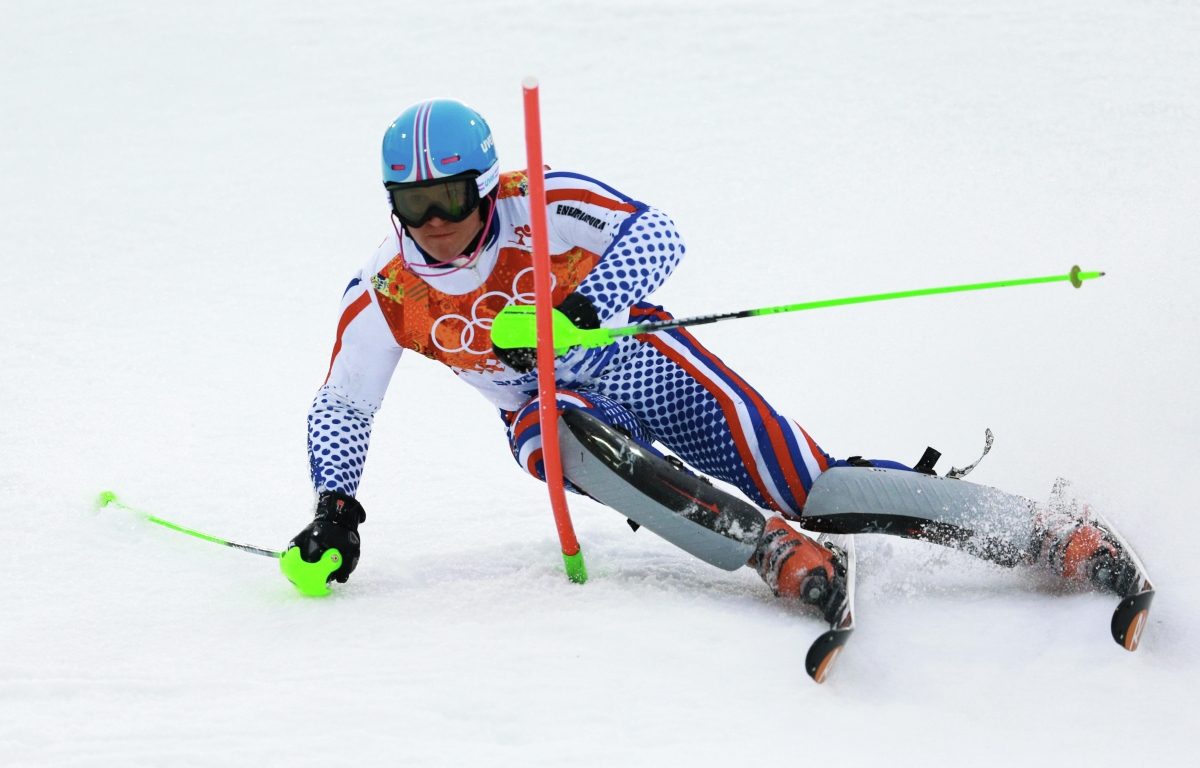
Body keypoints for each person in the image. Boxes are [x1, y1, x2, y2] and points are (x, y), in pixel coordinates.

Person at [282, 98, 1135, 604]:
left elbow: (657, 230)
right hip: (542, 407)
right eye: (411, 200)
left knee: (811, 484)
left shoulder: (539, 200)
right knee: (557, 434)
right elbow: (345, 402)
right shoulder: (386, 289)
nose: (433, 221)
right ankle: (770, 553)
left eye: (449, 197)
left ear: (486, 182)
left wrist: (582, 305)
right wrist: (336, 508)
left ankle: (1044, 533)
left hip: (637, 356)